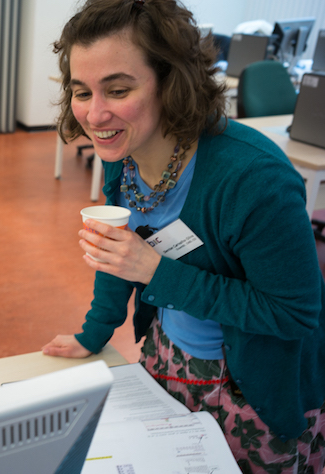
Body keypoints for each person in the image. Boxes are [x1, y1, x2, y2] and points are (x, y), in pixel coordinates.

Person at [41, 0, 325, 472]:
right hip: (168, 358)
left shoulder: (253, 179)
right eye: (82, 92)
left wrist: (156, 272)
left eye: (117, 89)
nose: (94, 115)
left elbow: (294, 313)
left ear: (171, 83)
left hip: (257, 388)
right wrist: (94, 333)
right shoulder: (126, 158)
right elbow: (120, 256)